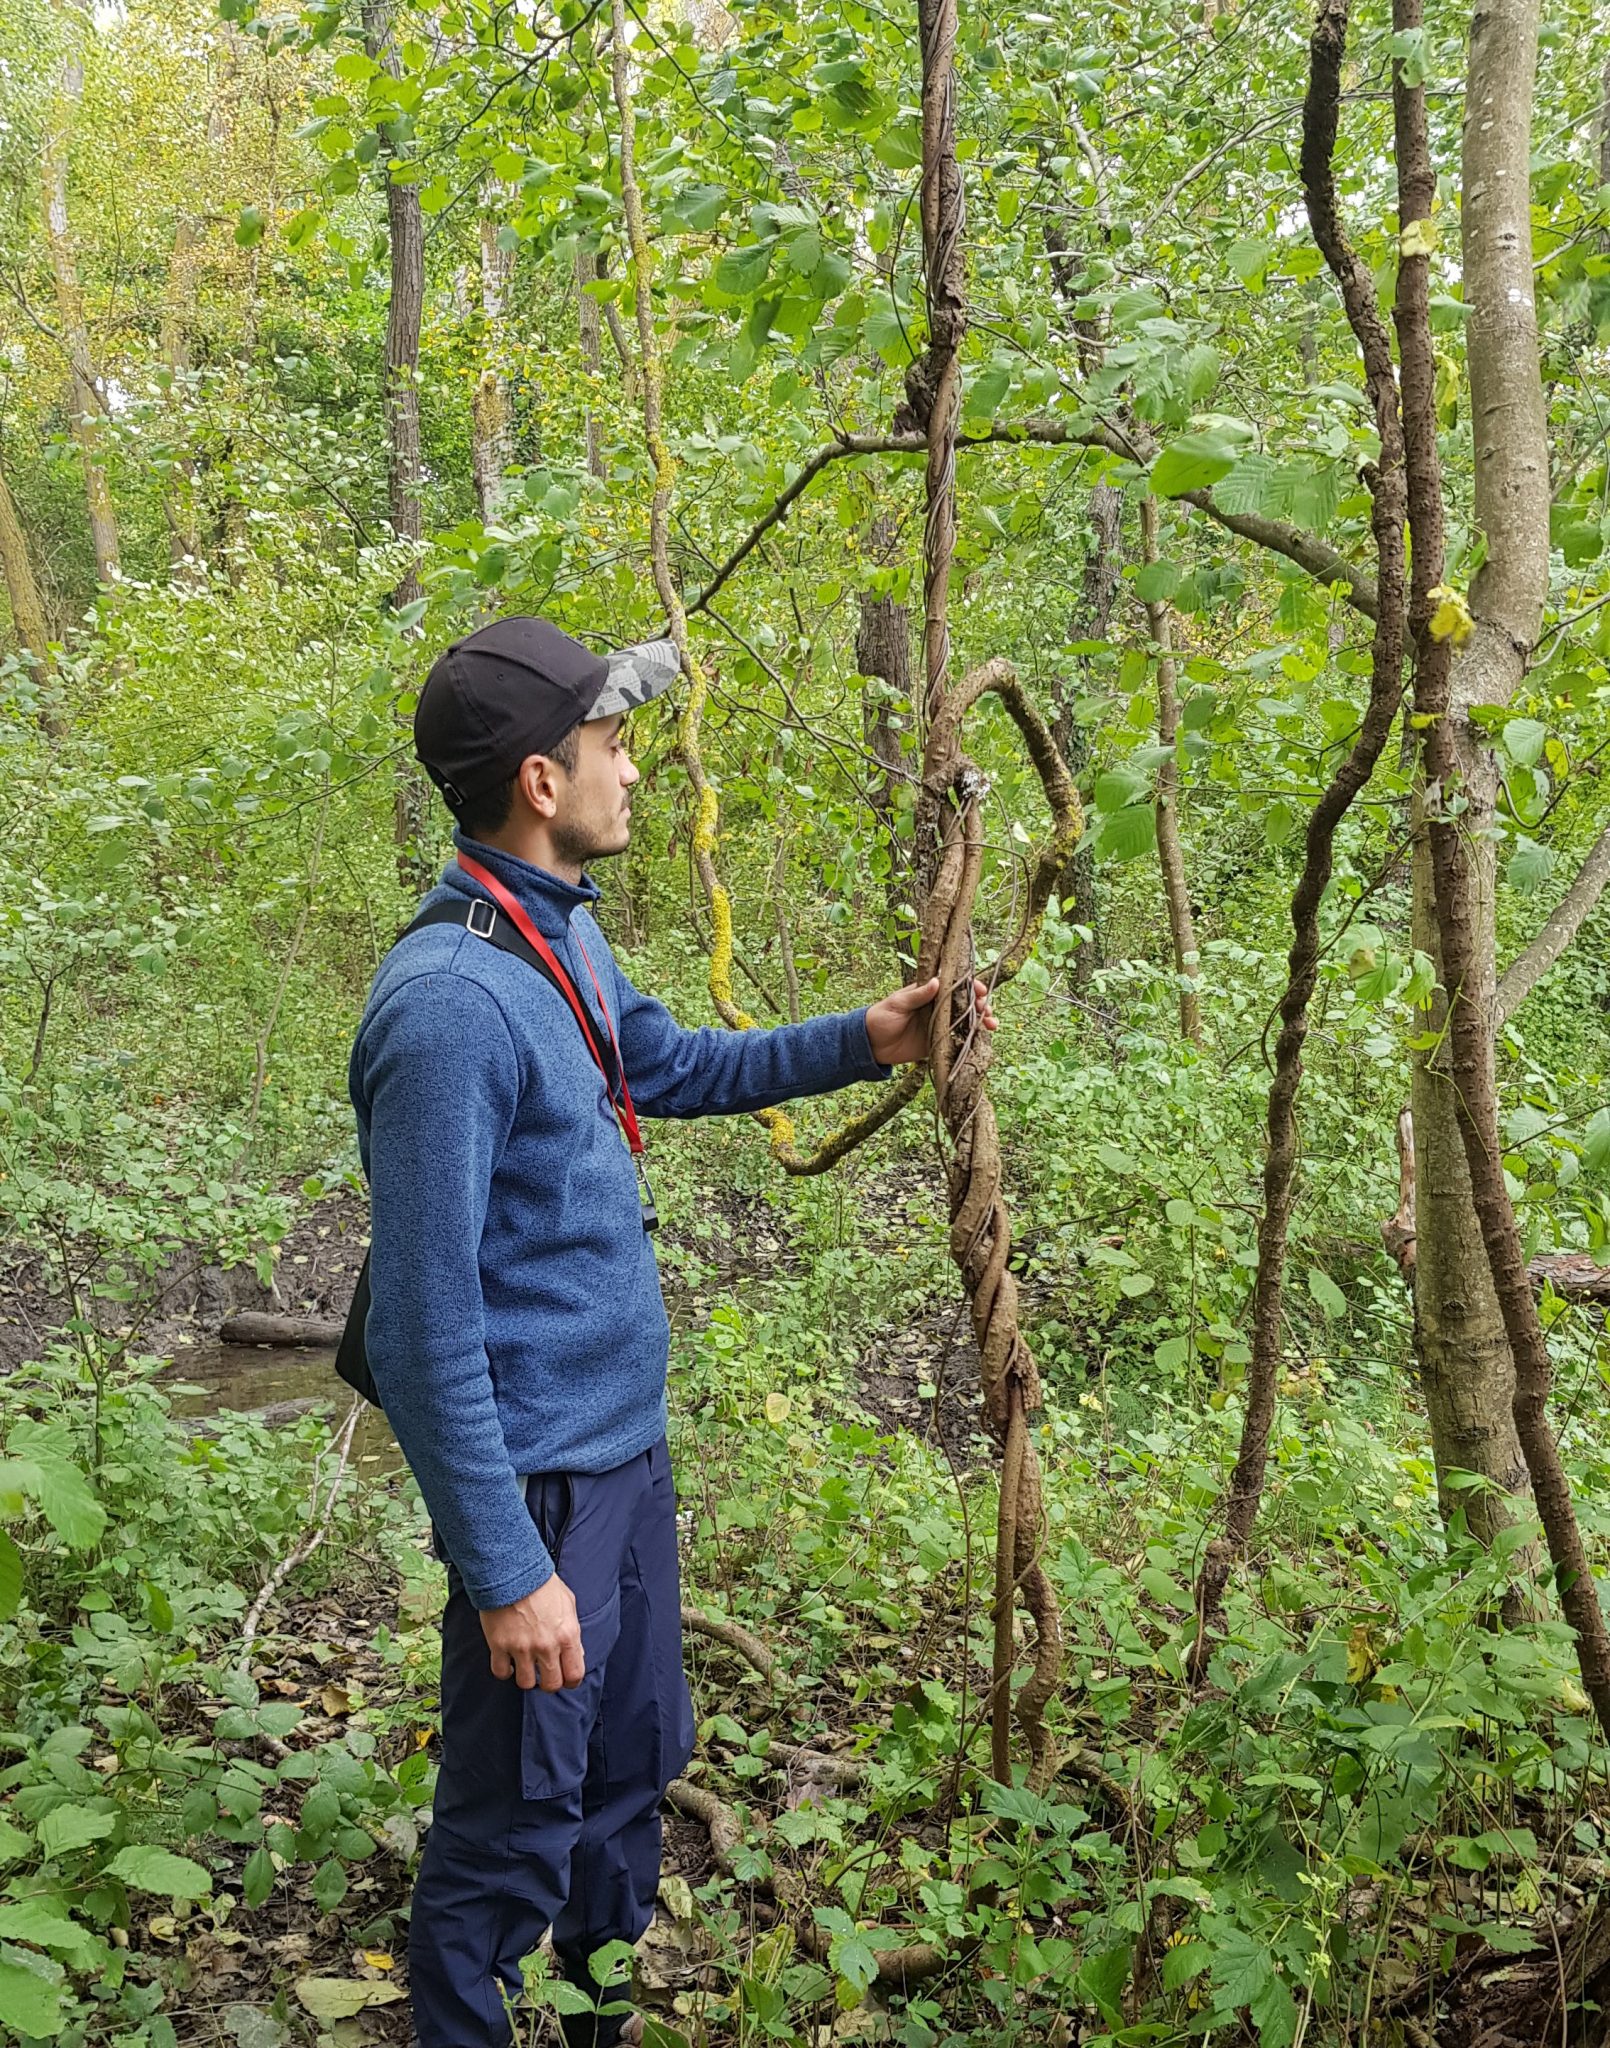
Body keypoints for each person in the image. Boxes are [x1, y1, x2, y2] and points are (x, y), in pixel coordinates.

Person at [348, 616, 996, 2047]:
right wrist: (508, 1571)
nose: (633, 771)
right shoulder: (451, 1005)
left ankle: (593, 2023)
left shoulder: (551, 934)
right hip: (539, 1491)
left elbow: (672, 1065)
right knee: (514, 1825)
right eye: (612, 743)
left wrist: (866, 1037)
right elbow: (418, 1327)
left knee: (631, 1774)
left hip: (621, 1467)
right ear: (537, 778)